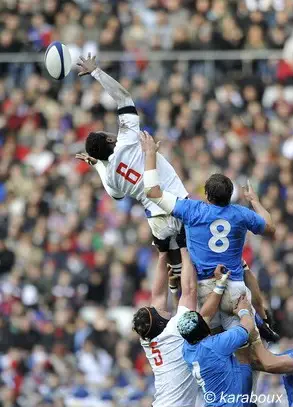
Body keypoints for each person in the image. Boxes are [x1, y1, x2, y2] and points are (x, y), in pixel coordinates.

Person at [141, 130, 275, 331]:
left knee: (209, 345)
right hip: (234, 288)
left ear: (206, 194)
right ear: (230, 196)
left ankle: (259, 319)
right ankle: (261, 318)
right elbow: (270, 228)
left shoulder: (193, 210)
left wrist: (150, 154)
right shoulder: (240, 213)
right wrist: (255, 202)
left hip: (203, 289)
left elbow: (152, 192)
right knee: (246, 348)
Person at [75, 53, 188, 278]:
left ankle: (179, 296)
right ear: (108, 139)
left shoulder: (110, 177)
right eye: (106, 132)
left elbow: (114, 195)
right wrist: (96, 72)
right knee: (195, 260)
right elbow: (124, 98)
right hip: (175, 203)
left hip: (157, 222)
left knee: (176, 271)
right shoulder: (126, 139)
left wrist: (97, 166)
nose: (109, 131)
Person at [132, 227, 230, 407]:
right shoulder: (173, 331)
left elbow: (158, 296)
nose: (157, 307)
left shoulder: (149, 336)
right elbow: (189, 291)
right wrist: (184, 247)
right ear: (160, 322)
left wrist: (162, 254)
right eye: (155, 311)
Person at [178, 296, 293, 407]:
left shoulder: (187, 349)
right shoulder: (215, 345)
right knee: (243, 357)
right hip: (232, 402)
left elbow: (206, 317)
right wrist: (243, 310)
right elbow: (248, 325)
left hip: (219, 401)